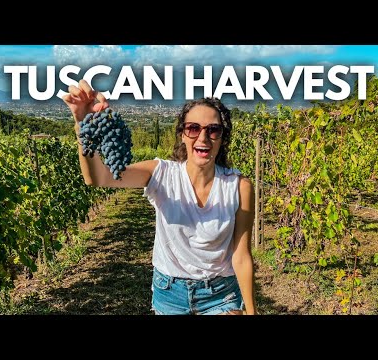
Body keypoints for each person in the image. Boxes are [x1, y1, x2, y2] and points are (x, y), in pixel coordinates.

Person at [63, 80, 257, 315]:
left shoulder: (239, 186)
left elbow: (242, 255)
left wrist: (251, 311)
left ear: (223, 138)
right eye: (193, 128)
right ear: (183, 135)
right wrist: (82, 123)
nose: (203, 137)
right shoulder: (161, 174)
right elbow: (99, 178)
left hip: (220, 294)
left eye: (213, 130)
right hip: (170, 293)